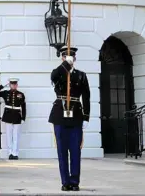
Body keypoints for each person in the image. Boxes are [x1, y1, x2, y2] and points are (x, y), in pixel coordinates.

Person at [49, 46, 90, 192]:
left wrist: (86, 117)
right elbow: (53, 77)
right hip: (60, 114)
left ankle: (74, 181)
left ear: (75, 58)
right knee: (62, 150)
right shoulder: (58, 72)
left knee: (75, 150)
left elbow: (86, 97)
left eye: (71, 58)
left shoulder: (81, 75)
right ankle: (65, 181)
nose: (69, 60)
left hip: (76, 114)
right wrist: (65, 65)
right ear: (62, 58)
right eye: (66, 57)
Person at [0, 78, 26, 160]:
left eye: (15, 84)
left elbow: (23, 106)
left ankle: (15, 153)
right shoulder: (5, 93)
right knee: (9, 135)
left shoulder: (21, 94)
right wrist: (2, 86)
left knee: (16, 135)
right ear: (10, 85)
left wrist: (23, 117)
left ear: (17, 85)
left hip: (17, 116)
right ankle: (10, 153)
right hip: (8, 115)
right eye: (12, 84)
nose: (14, 85)